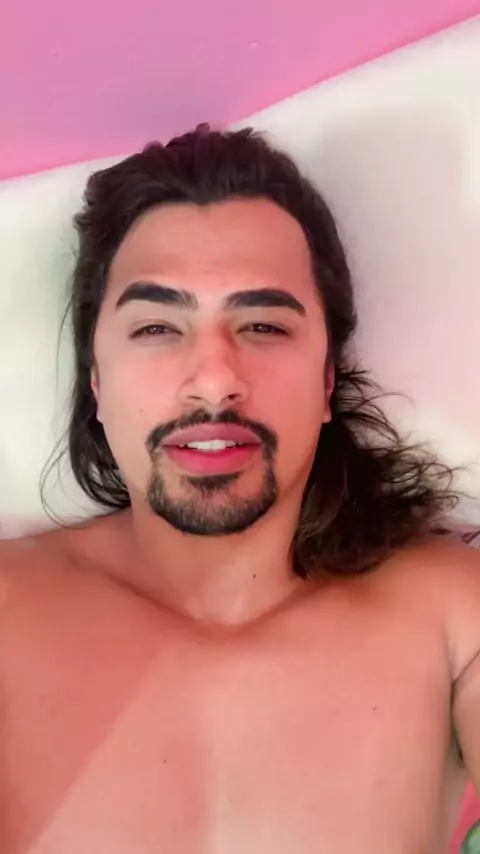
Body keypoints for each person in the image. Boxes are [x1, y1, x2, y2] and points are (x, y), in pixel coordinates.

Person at [0, 124, 479, 854]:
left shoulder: (453, 616)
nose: (216, 381)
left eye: (262, 325)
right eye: (157, 328)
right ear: (96, 383)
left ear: (328, 381)